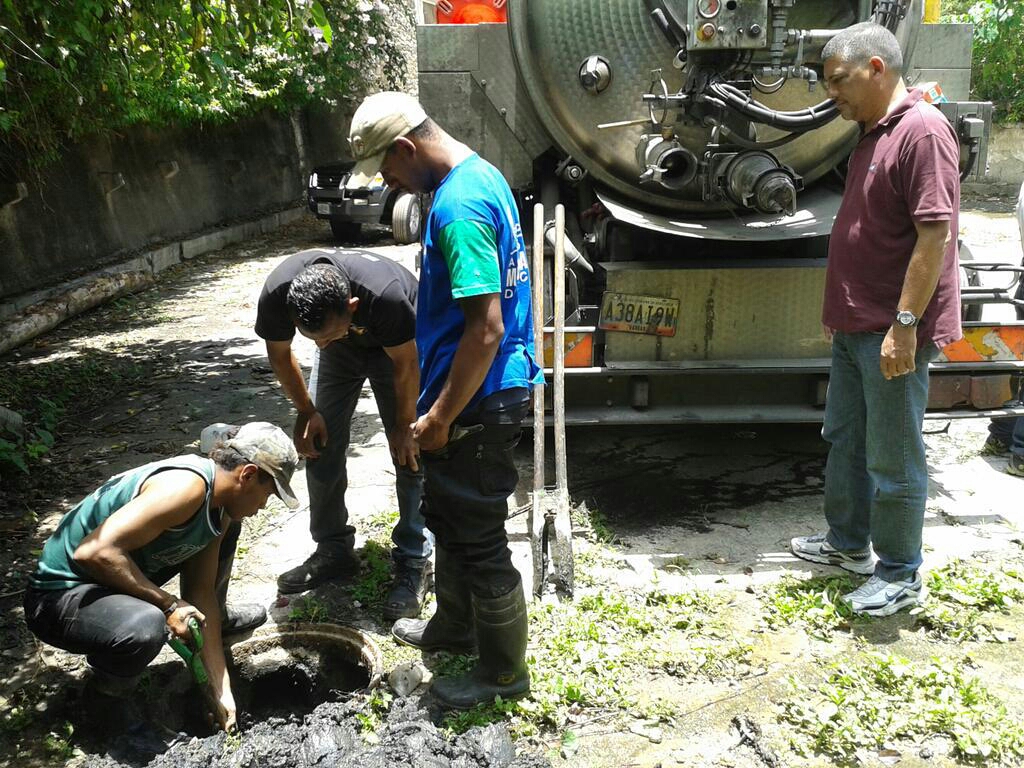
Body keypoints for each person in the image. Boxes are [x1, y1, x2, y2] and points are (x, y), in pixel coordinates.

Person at [345, 91, 543, 709]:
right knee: (450, 519)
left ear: (406, 147)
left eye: (387, 169)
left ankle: (504, 674)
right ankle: (456, 626)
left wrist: (437, 416)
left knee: (479, 537)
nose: (388, 181)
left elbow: (484, 329)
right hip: (476, 393)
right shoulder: (480, 177)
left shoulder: (457, 207)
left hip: (477, 402)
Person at [790, 22, 963, 616]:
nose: (829, 93)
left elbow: (934, 236)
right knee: (846, 438)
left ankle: (899, 572)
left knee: (893, 454)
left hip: (893, 329)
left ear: (876, 68)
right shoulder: (871, 132)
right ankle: (847, 546)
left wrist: (905, 326)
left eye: (838, 80)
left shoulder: (922, 130)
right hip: (858, 323)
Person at [22, 421, 299, 736]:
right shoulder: (186, 488)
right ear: (247, 474)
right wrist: (168, 605)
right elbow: (92, 553)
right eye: (268, 493)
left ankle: (204, 626)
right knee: (147, 625)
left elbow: (200, 592)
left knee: (229, 527)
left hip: (105, 583)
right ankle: (103, 705)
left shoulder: (217, 507)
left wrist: (221, 690)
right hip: (59, 597)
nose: (263, 506)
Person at [256, 248, 433, 619]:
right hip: (345, 350)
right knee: (319, 446)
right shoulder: (280, 291)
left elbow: (407, 362)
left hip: (398, 352)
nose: (318, 346)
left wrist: (404, 426)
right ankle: (333, 549)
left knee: (409, 452)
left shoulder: (385, 295)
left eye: (325, 336)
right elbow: (279, 354)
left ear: (352, 306)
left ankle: (415, 560)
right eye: (312, 338)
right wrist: (307, 411)